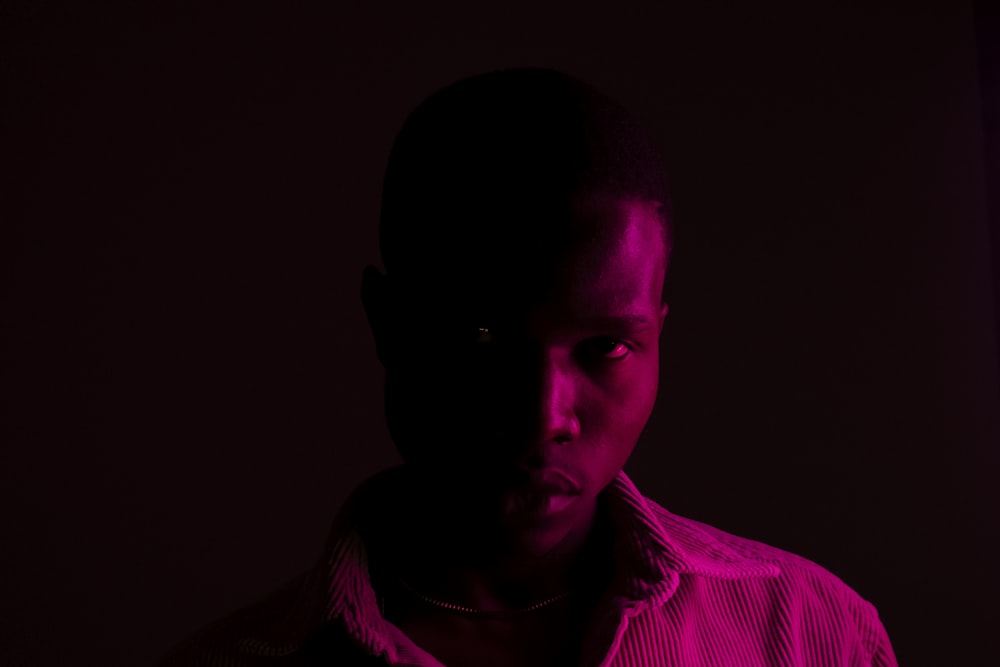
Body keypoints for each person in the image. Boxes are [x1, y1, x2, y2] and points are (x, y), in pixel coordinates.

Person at [162, 68, 897, 667]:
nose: (544, 414)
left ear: (657, 336)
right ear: (388, 324)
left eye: (606, 347)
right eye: (483, 337)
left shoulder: (810, 635)